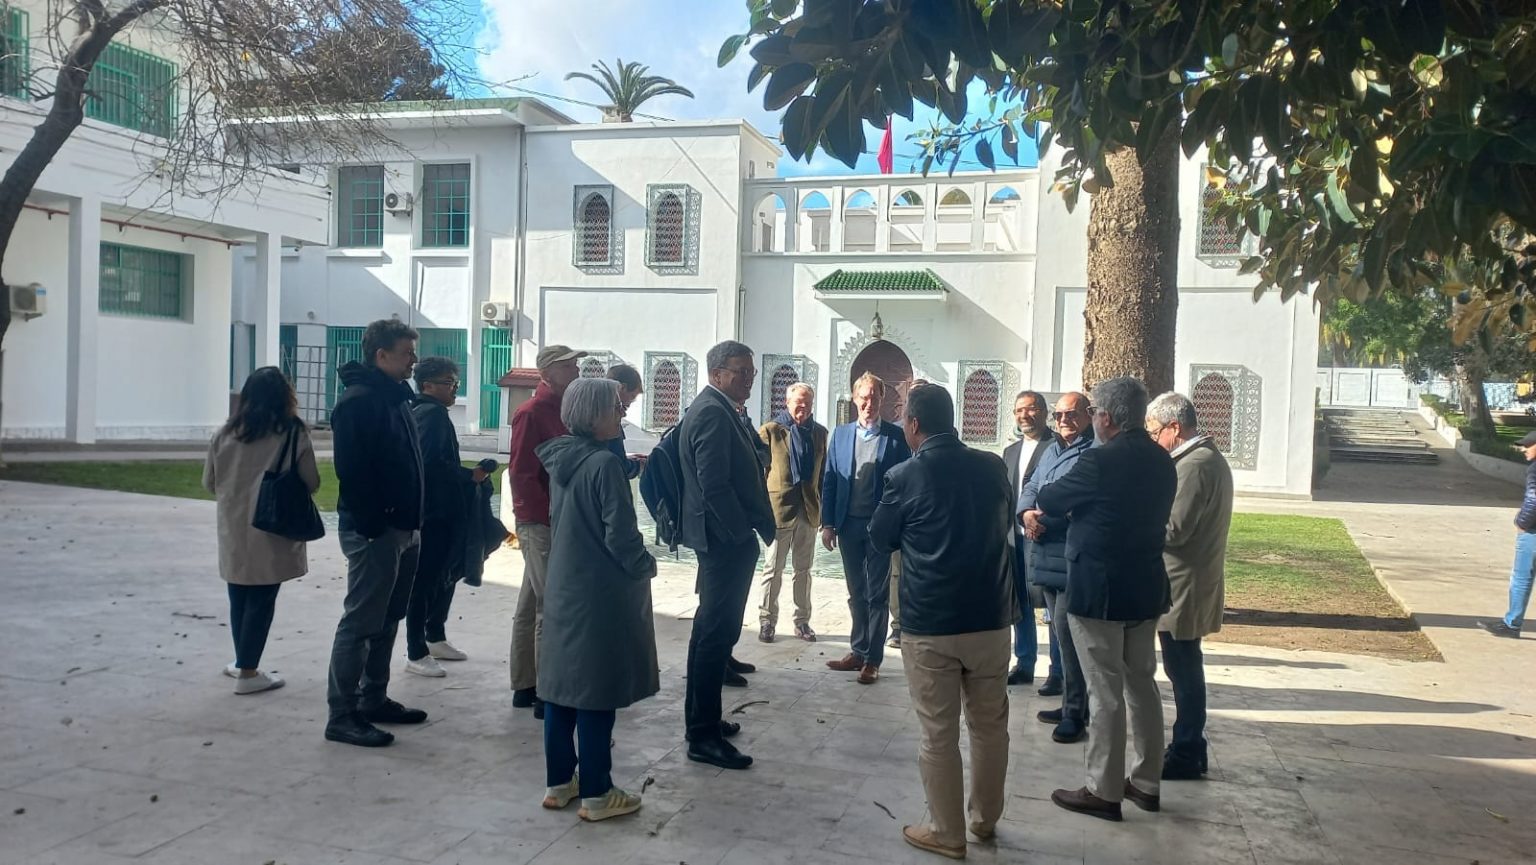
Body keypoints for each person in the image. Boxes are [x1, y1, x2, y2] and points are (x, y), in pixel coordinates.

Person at [868, 385, 1016, 860]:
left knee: (938, 732)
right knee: (990, 725)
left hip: (931, 623)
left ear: (913, 425)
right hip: (991, 618)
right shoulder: (992, 467)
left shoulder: (904, 475)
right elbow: (1004, 522)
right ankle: (984, 820)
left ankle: (947, 832)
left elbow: (880, 537)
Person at [1035, 377, 1176, 822]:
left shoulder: (1099, 460)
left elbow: (1050, 497)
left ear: (1107, 418)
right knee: (1142, 684)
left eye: (1095, 412)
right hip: (1145, 586)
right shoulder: (1162, 459)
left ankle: (1103, 789)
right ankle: (1147, 782)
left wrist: (1077, 505)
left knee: (1105, 690)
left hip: (1100, 590)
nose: (1094, 419)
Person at [535, 378, 658, 822]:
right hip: (599, 592)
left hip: (566, 584)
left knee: (561, 690)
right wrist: (646, 564)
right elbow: (620, 536)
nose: (621, 415)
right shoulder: (604, 464)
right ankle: (597, 792)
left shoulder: (563, 458)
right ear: (593, 415)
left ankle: (559, 782)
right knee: (595, 691)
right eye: (615, 408)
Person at [324, 319, 428, 748]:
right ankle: (342, 715)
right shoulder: (359, 402)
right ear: (381, 355)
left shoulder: (395, 398)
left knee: (388, 618)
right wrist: (375, 526)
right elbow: (353, 473)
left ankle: (374, 699)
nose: (413, 361)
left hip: (404, 529)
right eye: (406, 353)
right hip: (376, 532)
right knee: (361, 622)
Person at [678, 340, 776, 770]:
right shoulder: (711, 413)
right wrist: (740, 535)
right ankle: (702, 736)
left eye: (752, 371)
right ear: (717, 373)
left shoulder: (721, 408)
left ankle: (704, 720)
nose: (749, 378)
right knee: (713, 635)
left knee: (711, 633)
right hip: (722, 543)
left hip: (723, 540)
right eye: (741, 371)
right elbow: (713, 484)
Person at [204, 367, 321, 696]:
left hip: (233, 525)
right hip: (273, 526)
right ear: (286, 396)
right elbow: (311, 481)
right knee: (262, 597)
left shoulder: (225, 433)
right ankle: (248, 670)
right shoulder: (293, 432)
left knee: (238, 595)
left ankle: (243, 661)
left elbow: (209, 482)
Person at [1147, 392, 1234, 780]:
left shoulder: (1196, 465)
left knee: (1183, 669)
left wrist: (1134, 522)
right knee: (1182, 665)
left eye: (1154, 432)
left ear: (1174, 427)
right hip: (1186, 580)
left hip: (1184, 582)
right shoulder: (1199, 459)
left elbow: (1175, 530)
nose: (1153, 440)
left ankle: (1186, 749)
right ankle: (1190, 747)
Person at [402, 357, 493, 678]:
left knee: (445, 574)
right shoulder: (431, 415)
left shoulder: (426, 412)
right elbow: (429, 466)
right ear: (427, 386)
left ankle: (435, 635)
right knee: (426, 580)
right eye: (449, 383)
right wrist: (469, 476)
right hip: (434, 512)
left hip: (440, 510)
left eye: (456, 383)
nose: (454, 389)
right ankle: (416, 650)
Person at [508, 345, 586, 720]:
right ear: (548, 373)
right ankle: (546, 690)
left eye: (576, 365)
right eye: (569, 366)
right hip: (541, 522)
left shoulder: (563, 411)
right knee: (550, 605)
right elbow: (522, 474)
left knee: (530, 603)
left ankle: (524, 683)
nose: (576, 371)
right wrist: (543, 519)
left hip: (553, 519)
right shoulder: (532, 412)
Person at [821, 372, 912, 684]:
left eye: (874, 396)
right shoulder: (841, 435)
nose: (868, 402)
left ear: (882, 399)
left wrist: (900, 524)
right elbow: (830, 480)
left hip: (880, 528)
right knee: (856, 592)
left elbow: (904, 484)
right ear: (854, 398)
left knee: (877, 595)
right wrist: (828, 524)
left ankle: (873, 660)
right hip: (848, 525)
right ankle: (857, 651)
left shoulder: (895, 438)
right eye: (863, 397)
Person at [1018, 392, 1094, 743]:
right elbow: (1032, 485)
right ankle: (1069, 705)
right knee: (1060, 635)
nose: (1064, 421)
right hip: (1044, 552)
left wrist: (1043, 519)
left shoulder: (1092, 452)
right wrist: (1026, 514)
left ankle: (1076, 712)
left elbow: (1077, 499)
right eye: (1060, 415)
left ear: (1088, 415)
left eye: (1071, 414)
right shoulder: (1052, 449)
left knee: (1067, 634)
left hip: (1069, 554)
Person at [758, 382, 828, 643]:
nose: (804, 407)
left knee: (803, 570)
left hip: (808, 511)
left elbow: (823, 475)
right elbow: (760, 473)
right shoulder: (771, 431)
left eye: (808, 403)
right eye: (799, 402)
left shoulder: (820, 433)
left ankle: (802, 621)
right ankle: (767, 620)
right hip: (779, 510)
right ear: (787, 403)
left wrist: (823, 511)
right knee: (772, 569)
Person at [1001, 390, 1054, 687]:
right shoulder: (1011, 452)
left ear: (1044, 412)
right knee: (1019, 602)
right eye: (1019, 410)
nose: (1024, 415)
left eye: (1030, 409)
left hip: (1045, 538)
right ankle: (1024, 663)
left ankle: (1058, 671)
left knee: (1051, 606)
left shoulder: (1056, 446)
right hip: (1015, 539)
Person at [1480, 431, 1536, 638]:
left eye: (1528, 445)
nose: (1523, 449)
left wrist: (1522, 522)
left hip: (1533, 533)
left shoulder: (1534, 469)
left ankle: (1511, 624)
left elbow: (1534, 499)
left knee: (1522, 576)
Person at [605, 364, 647, 479]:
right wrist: (639, 465)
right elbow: (619, 466)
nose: (630, 403)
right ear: (622, 388)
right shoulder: (608, 421)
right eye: (632, 396)